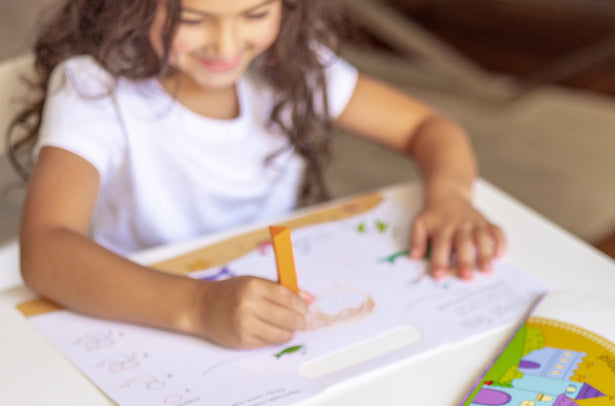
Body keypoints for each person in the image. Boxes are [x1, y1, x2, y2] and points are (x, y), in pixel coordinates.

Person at [9, 0, 505, 349]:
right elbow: (47, 249)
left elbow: (428, 126)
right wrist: (199, 306)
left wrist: (451, 196)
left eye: (255, 13)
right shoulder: (94, 89)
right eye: (194, 18)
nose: (226, 44)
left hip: (270, 307)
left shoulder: (293, 66)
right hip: (141, 310)